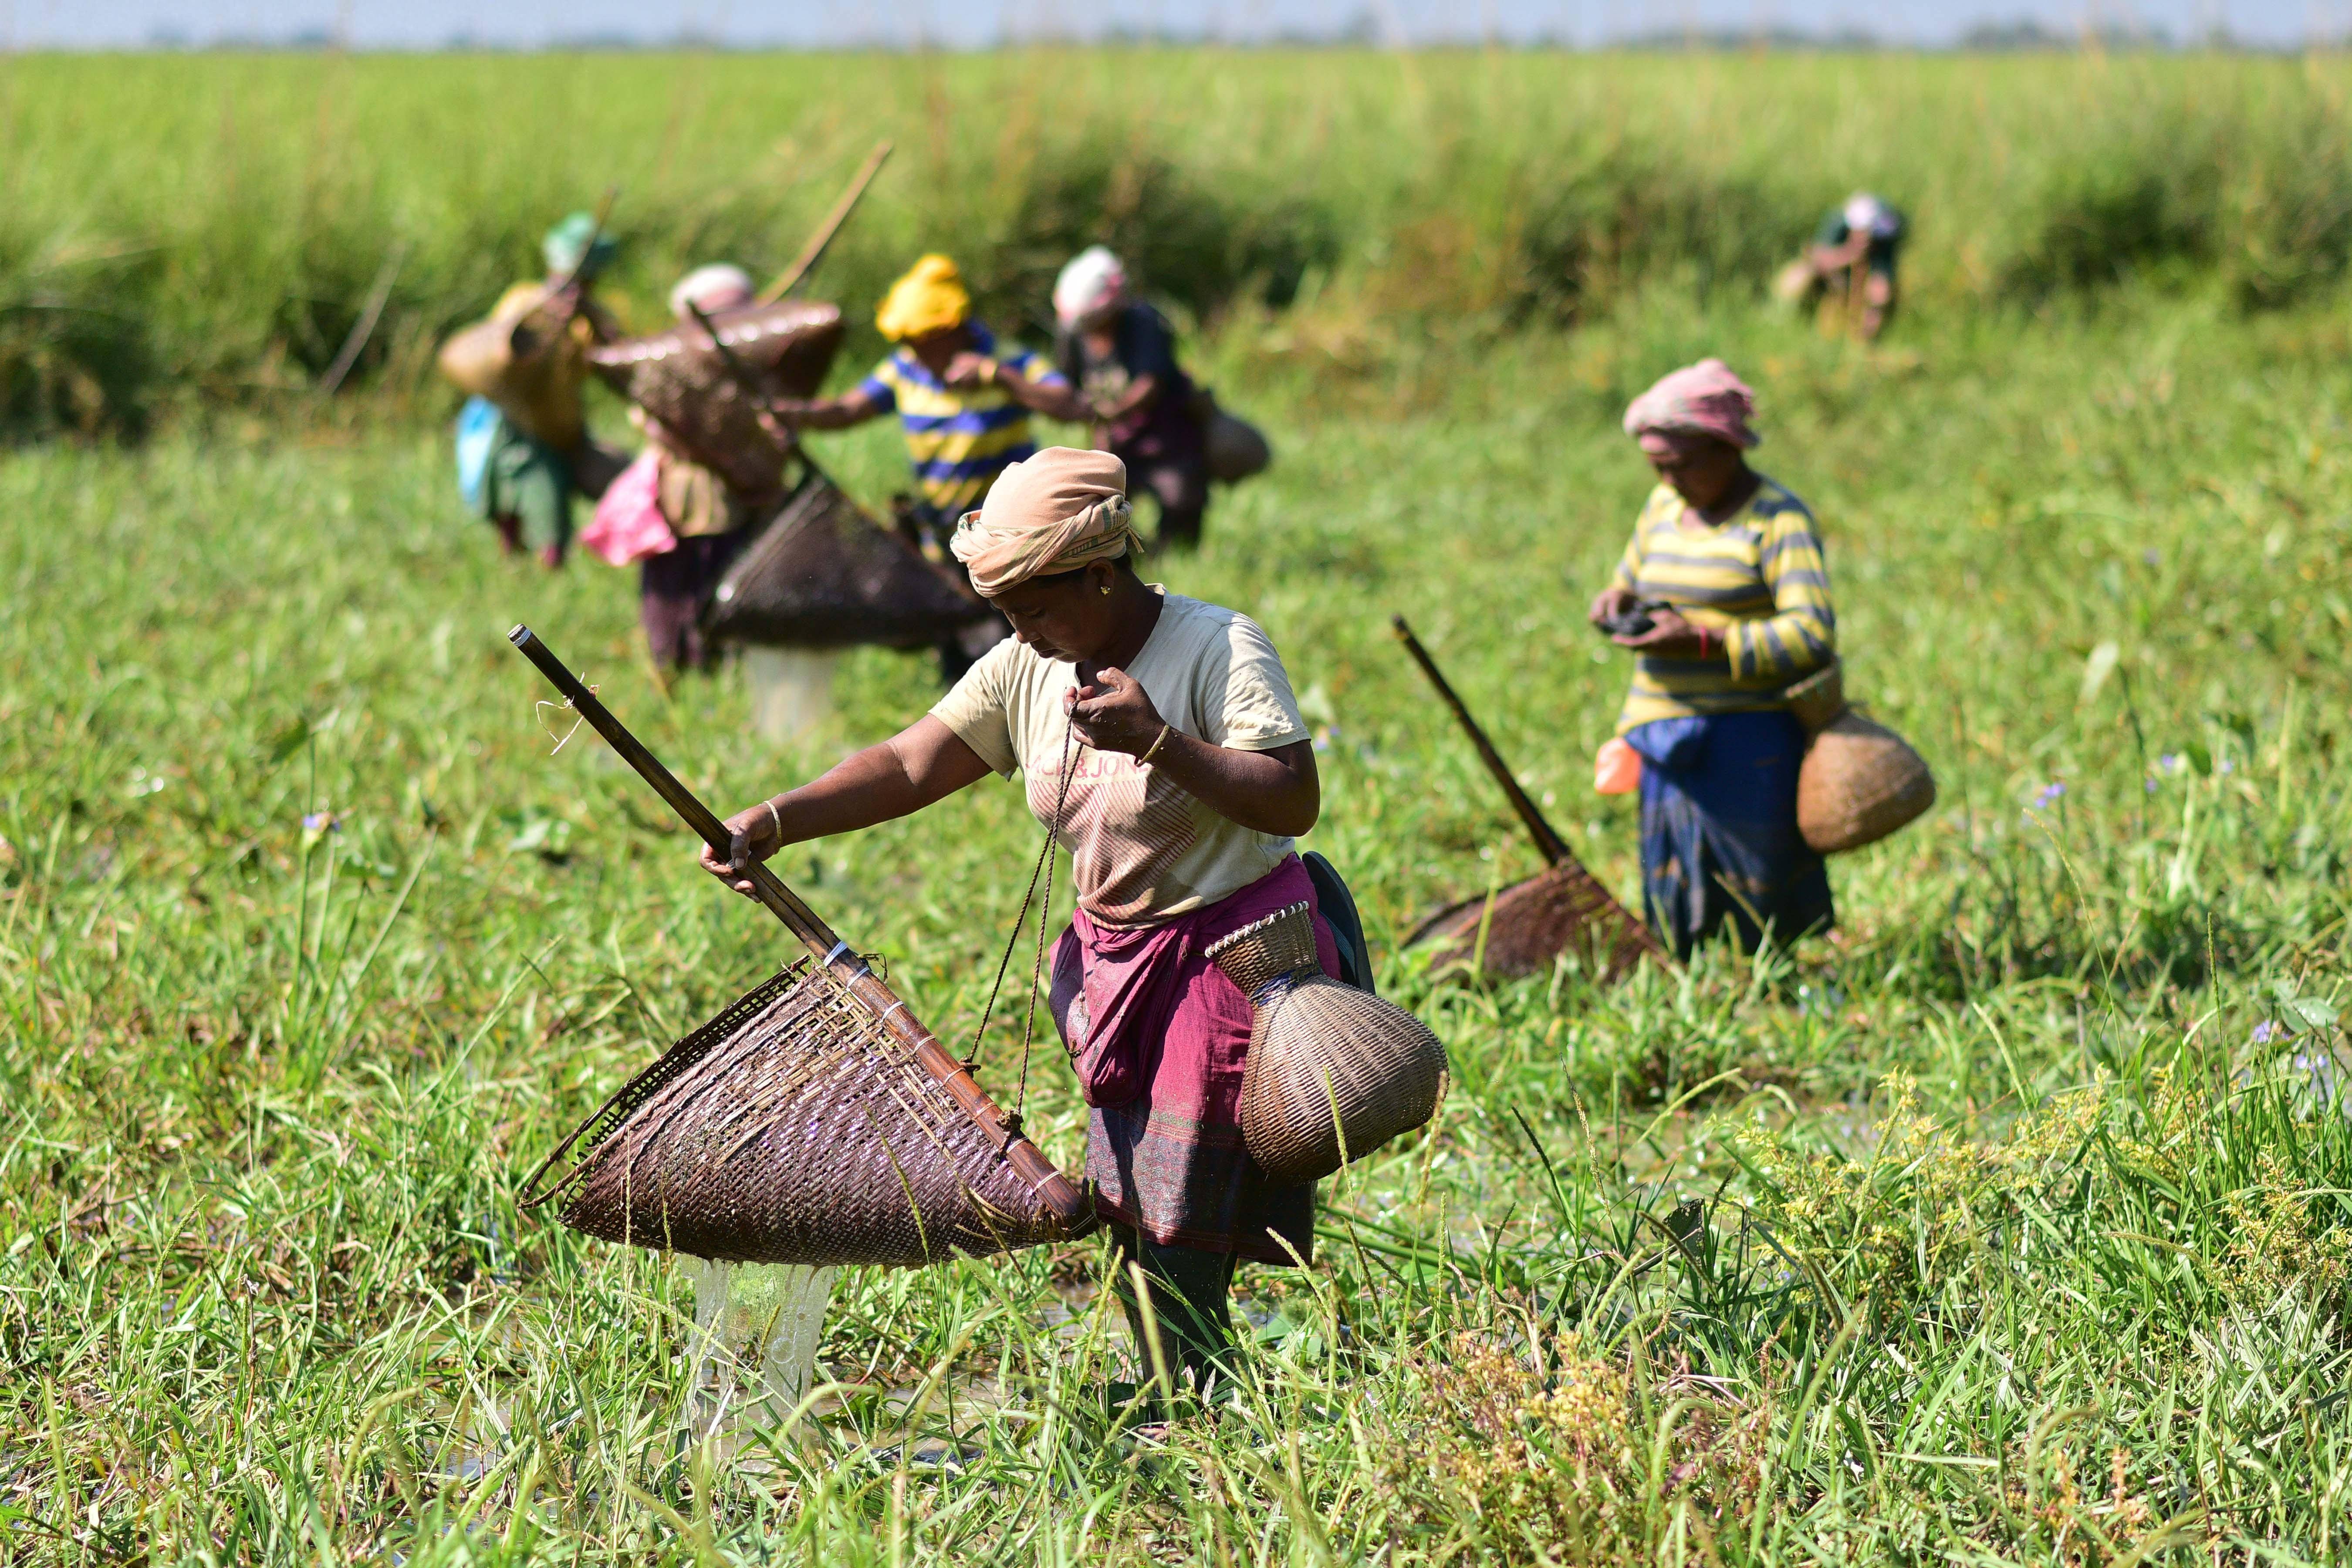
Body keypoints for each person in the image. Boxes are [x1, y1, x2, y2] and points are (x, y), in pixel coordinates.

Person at [700, 446, 1332, 1413]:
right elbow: (913, 763)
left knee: (1179, 1195)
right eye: (1007, 612)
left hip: (1227, 949)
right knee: (1124, 1185)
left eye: (1037, 606)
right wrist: (777, 820)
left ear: (1103, 574)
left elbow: (1291, 799)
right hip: (1115, 958)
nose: (1022, 630)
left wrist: (1161, 740)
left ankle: (1193, 1389)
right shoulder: (1026, 667)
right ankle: (1178, 1378)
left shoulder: (1217, 647)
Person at [1588, 359, 1836, 958]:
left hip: (1749, 734)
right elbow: (1632, 577)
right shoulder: (1661, 508)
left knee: (1760, 875)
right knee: (1672, 872)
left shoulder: (1779, 520)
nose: (1670, 481)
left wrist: (1704, 641)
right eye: (1657, 469)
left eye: (1682, 466)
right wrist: (1617, 599)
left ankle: (1777, 983)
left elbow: (1812, 634)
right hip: (1665, 730)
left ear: (1727, 447)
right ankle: (1692, 977)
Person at [773, 254, 1089, 679]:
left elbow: (1072, 407)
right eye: (908, 340)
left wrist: (1000, 378)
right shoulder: (905, 368)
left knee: (1014, 628)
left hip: (1007, 533)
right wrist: (794, 415)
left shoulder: (1007, 360)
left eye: (922, 339)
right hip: (945, 531)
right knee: (955, 629)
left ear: (951, 328)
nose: (915, 350)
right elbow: (847, 411)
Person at [633, 262, 784, 674]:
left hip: (738, 493)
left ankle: (716, 666)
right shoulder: (669, 360)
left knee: (725, 583)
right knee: (680, 589)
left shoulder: (750, 361)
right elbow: (653, 421)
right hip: (689, 492)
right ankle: (678, 666)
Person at [457, 213, 628, 568]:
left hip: (568, 431)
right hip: (524, 430)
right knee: (541, 504)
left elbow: (620, 361)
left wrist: (591, 318)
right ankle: (531, 573)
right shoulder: (524, 300)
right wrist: (546, 317)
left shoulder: (589, 319)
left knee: (622, 482)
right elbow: (502, 354)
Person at [1052, 247, 1212, 551]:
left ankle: (1177, 551)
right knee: (1103, 507)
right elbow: (1068, 386)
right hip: (1115, 440)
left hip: (1165, 439)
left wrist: (1110, 414)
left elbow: (1150, 385)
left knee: (1180, 497)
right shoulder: (1072, 335)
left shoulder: (1144, 323)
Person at [1776, 191, 1906, 341]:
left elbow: (1883, 278)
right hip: (1833, 283)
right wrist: (1848, 255)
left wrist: (1876, 302)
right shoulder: (1837, 224)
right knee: (1800, 275)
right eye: (1858, 232)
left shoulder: (1885, 235)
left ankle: (1865, 340)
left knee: (1878, 296)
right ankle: (1785, 316)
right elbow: (1818, 259)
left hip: (1860, 285)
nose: (1863, 237)